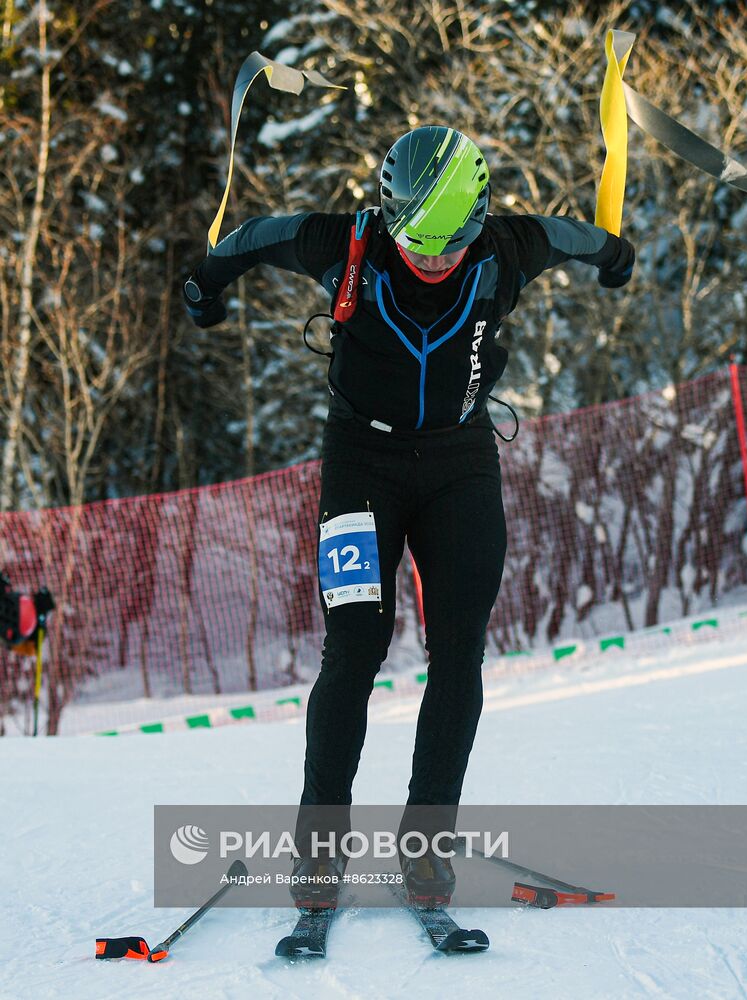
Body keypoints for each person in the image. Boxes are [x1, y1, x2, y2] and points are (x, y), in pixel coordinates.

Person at [183, 125, 635, 907]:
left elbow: (579, 237)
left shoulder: (507, 248)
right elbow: (256, 236)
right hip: (360, 462)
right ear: (390, 217)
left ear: (477, 221)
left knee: (459, 652)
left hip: (460, 463)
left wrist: (613, 256)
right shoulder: (345, 242)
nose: (433, 260)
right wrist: (206, 282)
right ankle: (319, 850)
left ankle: (426, 846)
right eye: (418, 246)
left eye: (449, 247)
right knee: (353, 648)